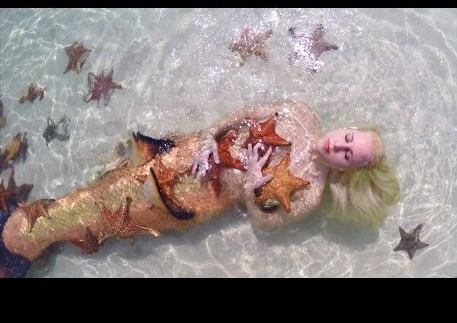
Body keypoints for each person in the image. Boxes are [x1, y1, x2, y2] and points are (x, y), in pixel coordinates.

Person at [0, 101, 399, 277]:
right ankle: (39, 221)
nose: (339, 146)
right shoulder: (300, 112)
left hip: (207, 196)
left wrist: (253, 186)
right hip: (196, 152)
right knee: (121, 182)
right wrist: (209, 136)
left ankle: (36, 238)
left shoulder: (310, 192)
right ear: (350, 128)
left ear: (349, 169)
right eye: (349, 137)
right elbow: (244, 114)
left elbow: (266, 224)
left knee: (127, 214)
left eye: (349, 154)